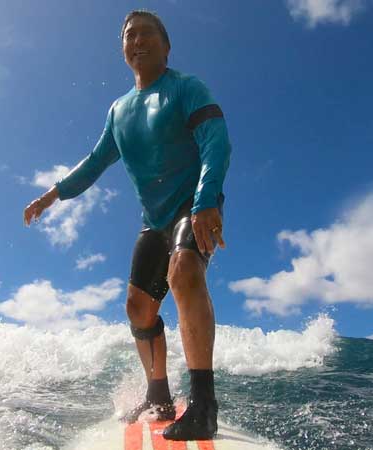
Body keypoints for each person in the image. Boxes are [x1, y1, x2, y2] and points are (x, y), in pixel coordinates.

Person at [23, 10, 231, 441]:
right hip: (153, 223)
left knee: (184, 272)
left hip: (194, 207)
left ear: (166, 45)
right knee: (137, 308)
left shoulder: (186, 88)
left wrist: (206, 200)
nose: (137, 41)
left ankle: (203, 405)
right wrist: (52, 194)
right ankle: (158, 395)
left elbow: (216, 140)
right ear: (122, 49)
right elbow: (96, 161)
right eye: (129, 35)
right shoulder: (118, 110)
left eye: (146, 34)